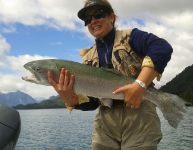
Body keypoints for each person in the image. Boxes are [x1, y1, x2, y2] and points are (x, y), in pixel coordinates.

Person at [48, 0, 173, 149]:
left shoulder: (131, 37)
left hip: (140, 117)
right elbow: (93, 103)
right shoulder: (88, 57)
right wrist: (70, 99)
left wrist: (139, 84)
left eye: (98, 14)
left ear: (111, 17)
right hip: (105, 125)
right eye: (88, 19)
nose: (93, 21)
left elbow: (162, 48)